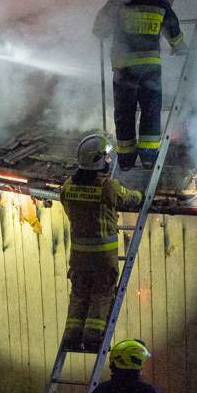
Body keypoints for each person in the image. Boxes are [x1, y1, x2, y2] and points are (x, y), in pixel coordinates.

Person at [92, 0, 187, 170]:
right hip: (151, 69)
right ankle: (148, 157)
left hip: (124, 69)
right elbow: (174, 32)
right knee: (151, 111)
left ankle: (125, 160)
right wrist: (180, 47)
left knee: (124, 112)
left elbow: (99, 29)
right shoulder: (160, 2)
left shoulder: (117, 1)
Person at [61, 134, 142, 351]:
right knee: (101, 293)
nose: (109, 161)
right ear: (98, 161)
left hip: (78, 256)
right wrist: (140, 195)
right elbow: (129, 197)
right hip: (103, 257)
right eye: (106, 157)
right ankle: (93, 336)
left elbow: (69, 210)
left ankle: (71, 334)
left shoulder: (68, 186)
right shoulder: (108, 187)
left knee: (79, 293)